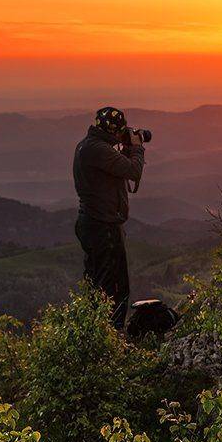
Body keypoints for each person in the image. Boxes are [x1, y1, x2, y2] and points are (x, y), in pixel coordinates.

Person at [72, 105, 145, 329]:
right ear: (114, 130)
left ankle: (94, 333)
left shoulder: (89, 146)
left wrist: (123, 149)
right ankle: (112, 336)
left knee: (97, 283)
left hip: (92, 224)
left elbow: (113, 171)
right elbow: (133, 171)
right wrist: (136, 148)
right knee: (114, 285)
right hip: (103, 227)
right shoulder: (98, 150)